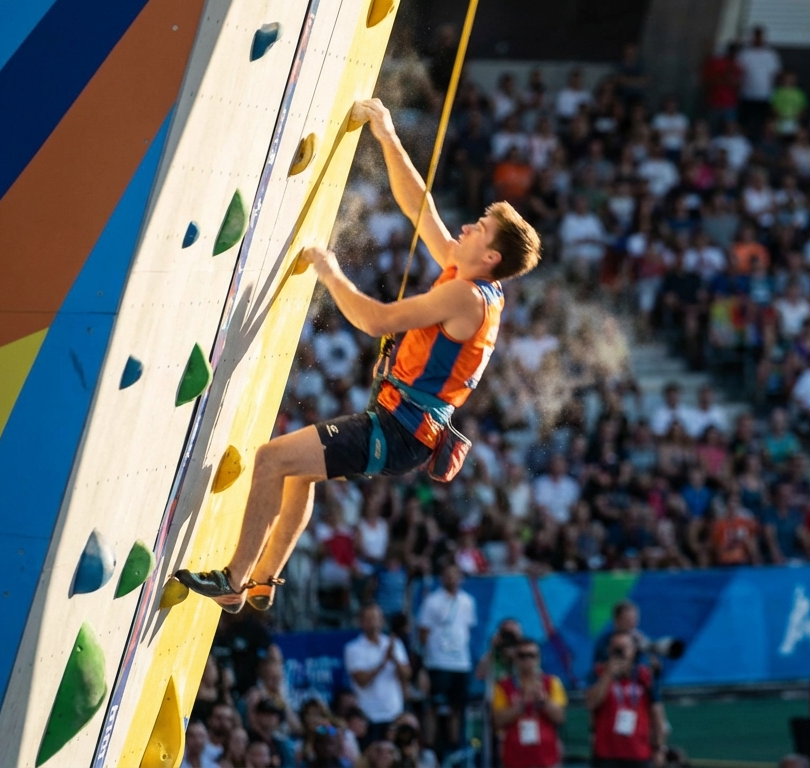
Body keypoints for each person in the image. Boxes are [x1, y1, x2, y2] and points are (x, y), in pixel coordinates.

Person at [174, 97, 542, 612]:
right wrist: (387, 135)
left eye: (478, 228)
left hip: (399, 430)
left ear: (491, 256)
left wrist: (328, 269)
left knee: (271, 460)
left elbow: (375, 320)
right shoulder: (479, 282)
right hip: (406, 426)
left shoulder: (464, 295)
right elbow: (422, 209)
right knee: (298, 472)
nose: (465, 229)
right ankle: (260, 581)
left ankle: (234, 581)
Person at [416, 562, 477, 757]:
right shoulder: (432, 601)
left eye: (455, 574)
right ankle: (431, 747)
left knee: (457, 707)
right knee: (434, 706)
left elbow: (466, 628)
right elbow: (423, 633)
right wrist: (428, 660)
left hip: (461, 662)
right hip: (438, 661)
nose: (451, 579)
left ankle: (455, 746)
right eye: (447, 574)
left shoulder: (467, 601)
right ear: (442, 577)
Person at [587, 632, 667, 767]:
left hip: (639, 754)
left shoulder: (644, 675)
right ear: (609, 650)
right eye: (616, 649)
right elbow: (591, 702)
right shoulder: (599, 673)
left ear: (634, 650)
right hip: (606, 755)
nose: (620, 653)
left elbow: (657, 712)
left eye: (624, 648)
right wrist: (608, 676)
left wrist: (659, 747)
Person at [492, 639, 568, 768]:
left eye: (531, 655)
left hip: (546, 759)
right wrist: (521, 705)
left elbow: (560, 717)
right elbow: (498, 720)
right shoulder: (502, 686)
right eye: (522, 655)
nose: (527, 660)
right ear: (515, 659)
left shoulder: (552, 682)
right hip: (514, 759)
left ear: (538, 658)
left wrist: (543, 700)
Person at [344, 604, 412, 745]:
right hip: (369, 715)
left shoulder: (394, 644)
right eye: (368, 619)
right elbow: (361, 680)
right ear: (361, 622)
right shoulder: (353, 648)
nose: (373, 623)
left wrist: (394, 659)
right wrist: (383, 662)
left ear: (382, 621)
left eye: (376, 618)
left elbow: (407, 674)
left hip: (394, 713)